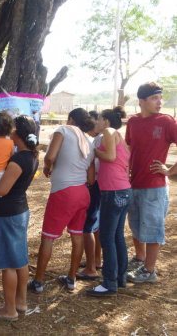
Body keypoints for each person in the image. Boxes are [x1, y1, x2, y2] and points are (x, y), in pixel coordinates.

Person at [28, 108, 95, 293]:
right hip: (82, 192)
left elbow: (49, 156)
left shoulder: (63, 130)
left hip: (63, 192)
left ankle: (39, 281)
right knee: (77, 234)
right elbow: (91, 179)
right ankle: (72, 278)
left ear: (71, 119)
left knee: (48, 237)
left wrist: (48, 167)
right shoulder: (89, 141)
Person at [0, 115, 39, 321]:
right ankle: (21, 302)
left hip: (8, 213)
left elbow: (2, 189)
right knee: (20, 259)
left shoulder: (17, 160)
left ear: (16, 133)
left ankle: (9, 309)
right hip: (20, 210)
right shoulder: (31, 155)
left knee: (9, 264)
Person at [126, 82, 177, 283]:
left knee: (153, 228)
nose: (160, 102)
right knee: (136, 224)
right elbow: (129, 149)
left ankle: (149, 271)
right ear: (142, 101)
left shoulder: (166, 121)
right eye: (155, 98)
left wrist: (169, 171)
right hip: (133, 183)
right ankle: (140, 258)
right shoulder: (132, 122)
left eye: (160, 97)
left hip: (154, 186)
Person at [86, 106, 131, 296]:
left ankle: (109, 283)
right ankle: (120, 278)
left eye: (99, 119)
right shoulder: (120, 136)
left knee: (106, 237)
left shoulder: (108, 131)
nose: (96, 122)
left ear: (106, 121)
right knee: (117, 236)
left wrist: (95, 152)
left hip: (113, 192)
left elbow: (110, 157)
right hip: (123, 190)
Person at [78, 110, 103, 280]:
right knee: (95, 226)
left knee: (87, 227)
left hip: (94, 185)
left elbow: (91, 170)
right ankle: (96, 259)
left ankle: (91, 268)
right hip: (101, 186)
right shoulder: (101, 139)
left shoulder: (94, 141)